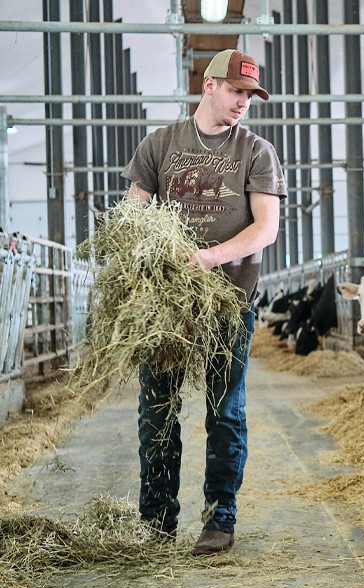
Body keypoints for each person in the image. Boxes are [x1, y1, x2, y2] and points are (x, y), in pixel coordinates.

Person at [122, 48, 285, 556]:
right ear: (208, 86)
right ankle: (156, 520)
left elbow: (267, 228)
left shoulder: (256, 151)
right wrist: (144, 256)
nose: (243, 103)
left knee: (225, 411)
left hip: (228, 304)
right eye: (236, 91)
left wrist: (211, 257)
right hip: (165, 307)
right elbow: (134, 214)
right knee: (158, 409)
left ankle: (220, 518)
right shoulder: (160, 144)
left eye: (250, 96)